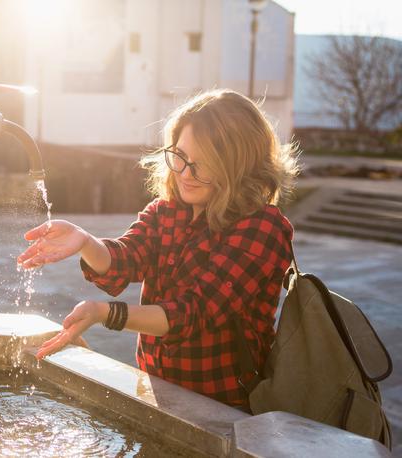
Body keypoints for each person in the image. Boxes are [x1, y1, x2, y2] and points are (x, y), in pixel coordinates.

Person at [17, 89, 298, 408]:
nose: (184, 174)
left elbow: (193, 313)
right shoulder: (167, 210)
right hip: (157, 389)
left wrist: (104, 313)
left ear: (238, 166)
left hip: (226, 405)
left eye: (203, 165)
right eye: (179, 156)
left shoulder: (262, 228)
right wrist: (85, 241)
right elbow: (125, 258)